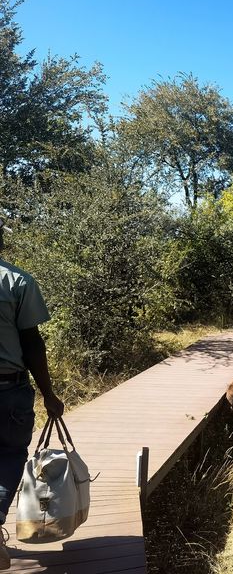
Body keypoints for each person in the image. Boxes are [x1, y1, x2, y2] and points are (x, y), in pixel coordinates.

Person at [0, 215, 64, 570]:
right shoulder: (16, 281)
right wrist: (49, 395)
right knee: (9, 457)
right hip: (8, 390)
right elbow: (31, 343)